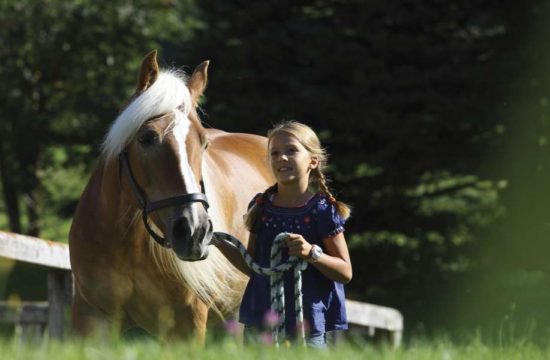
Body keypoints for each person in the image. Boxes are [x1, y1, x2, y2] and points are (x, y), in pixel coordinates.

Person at [214, 121, 352, 349]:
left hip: (306, 325)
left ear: (313, 161)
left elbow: (345, 272)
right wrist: (218, 243)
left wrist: (312, 253)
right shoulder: (261, 207)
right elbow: (254, 266)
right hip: (261, 321)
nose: (282, 158)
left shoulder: (322, 211)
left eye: (291, 151)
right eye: (275, 153)